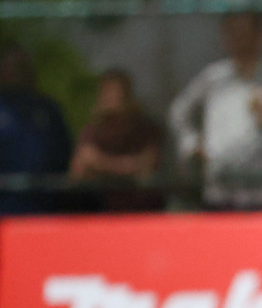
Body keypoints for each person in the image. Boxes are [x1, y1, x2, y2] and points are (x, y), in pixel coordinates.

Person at [168, 13, 262, 211]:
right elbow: (179, 111)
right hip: (220, 190)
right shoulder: (214, 77)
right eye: (232, 32)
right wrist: (193, 144)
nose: (238, 39)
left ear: (259, 35)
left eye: (244, 32)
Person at [70, 68, 164, 212]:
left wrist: (101, 163)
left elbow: (147, 167)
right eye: (106, 92)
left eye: (116, 92)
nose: (110, 98)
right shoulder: (93, 130)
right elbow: (79, 169)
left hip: (140, 213)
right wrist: (125, 166)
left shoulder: (145, 130)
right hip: (101, 212)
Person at [0, 43, 73, 215]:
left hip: (43, 208)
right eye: (10, 67)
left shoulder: (47, 110)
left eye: (22, 67)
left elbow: (64, 156)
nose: (15, 73)